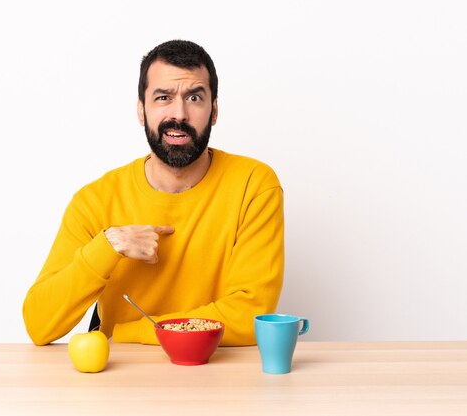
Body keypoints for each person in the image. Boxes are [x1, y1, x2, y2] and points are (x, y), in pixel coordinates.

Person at [23, 39, 284, 346]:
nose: (179, 114)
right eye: (163, 97)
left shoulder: (254, 186)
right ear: (141, 110)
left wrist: (127, 333)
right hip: (122, 382)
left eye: (195, 97)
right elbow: (39, 324)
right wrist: (106, 247)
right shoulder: (94, 201)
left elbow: (251, 313)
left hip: (216, 377)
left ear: (213, 111)